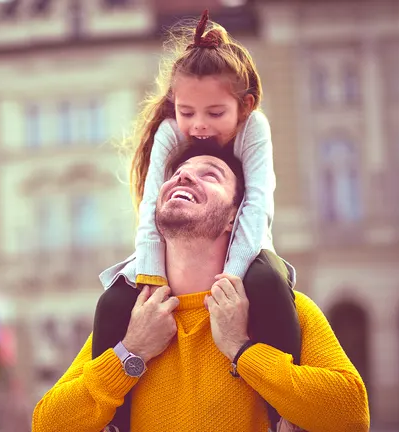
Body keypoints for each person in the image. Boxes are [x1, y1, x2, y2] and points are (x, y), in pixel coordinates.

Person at [32, 141, 370, 432]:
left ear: (233, 219)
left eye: (210, 173)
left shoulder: (283, 307)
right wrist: (131, 353)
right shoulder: (133, 320)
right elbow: (46, 424)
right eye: (179, 171)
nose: (184, 175)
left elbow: (353, 415)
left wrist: (243, 350)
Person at [92, 9, 301, 430]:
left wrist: (229, 280)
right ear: (174, 104)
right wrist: (152, 282)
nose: (200, 126)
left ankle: (285, 416)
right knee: (114, 298)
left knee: (267, 281)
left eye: (215, 113)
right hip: (165, 255)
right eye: (188, 112)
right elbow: (152, 213)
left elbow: (256, 207)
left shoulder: (254, 129)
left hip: (246, 245)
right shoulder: (171, 133)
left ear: (245, 106)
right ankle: (115, 420)